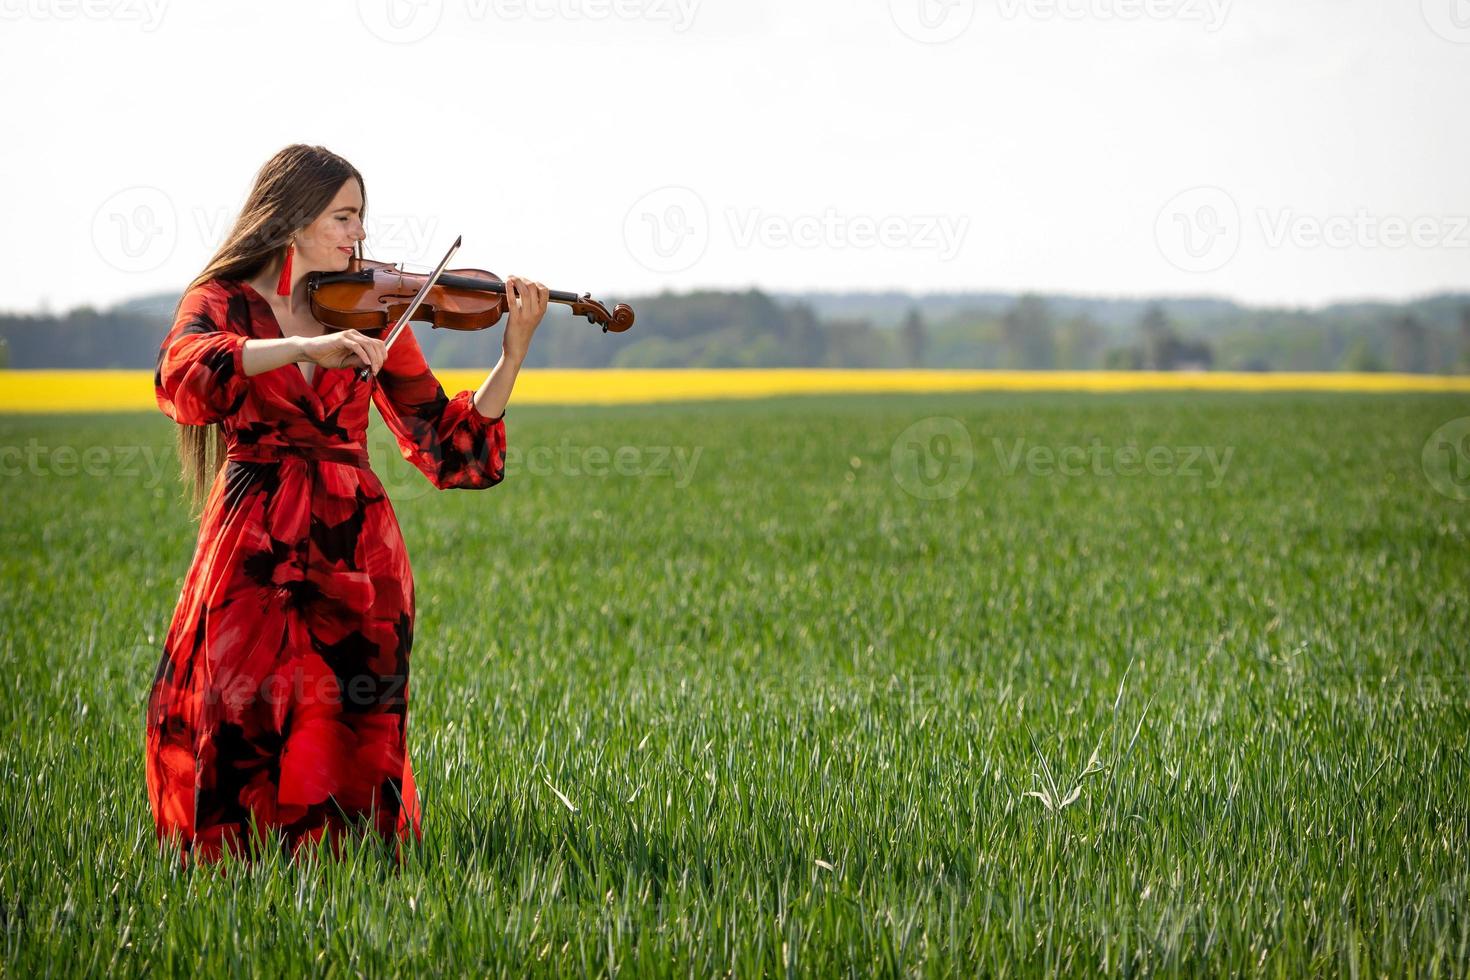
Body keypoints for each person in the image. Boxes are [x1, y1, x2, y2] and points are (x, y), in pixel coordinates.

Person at [145, 144, 548, 869]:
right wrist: (306, 345)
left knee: (353, 721)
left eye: (361, 217)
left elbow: (447, 447)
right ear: (292, 219)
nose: (358, 236)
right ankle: (230, 876)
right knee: (236, 708)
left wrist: (511, 354)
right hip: (253, 535)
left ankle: (348, 881)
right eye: (344, 216)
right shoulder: (221, 302)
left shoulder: (373, 309)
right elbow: (185, 375)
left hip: (356, 542)